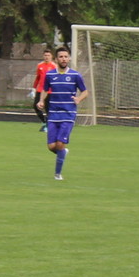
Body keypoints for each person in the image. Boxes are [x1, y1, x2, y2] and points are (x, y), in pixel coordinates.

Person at [42, 46, 88, 180]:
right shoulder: (50, 75)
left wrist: (79, 98)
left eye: (65, 56)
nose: (63, 59)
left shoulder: (75, 75)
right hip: (53, 113)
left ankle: (57, 174)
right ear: (56, 59)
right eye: (61, 57)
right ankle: (62, 153)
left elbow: (85, 91)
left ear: (69, 58)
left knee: (60, 144)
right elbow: (45, 89)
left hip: (68, 114)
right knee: (51, 146)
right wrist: (41, 101)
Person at [31, 45, 56, 132]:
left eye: (48, 55)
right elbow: (38, 78)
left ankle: (49, 126)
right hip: (40, 90)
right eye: (45, 55)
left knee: (48, 108)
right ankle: (44, 121)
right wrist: (33, 89)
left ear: (51, 56)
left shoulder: (54, 66)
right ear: (43, 56)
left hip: (49, 91)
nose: (46, 57)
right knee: (35, 106)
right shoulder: (40, 65)